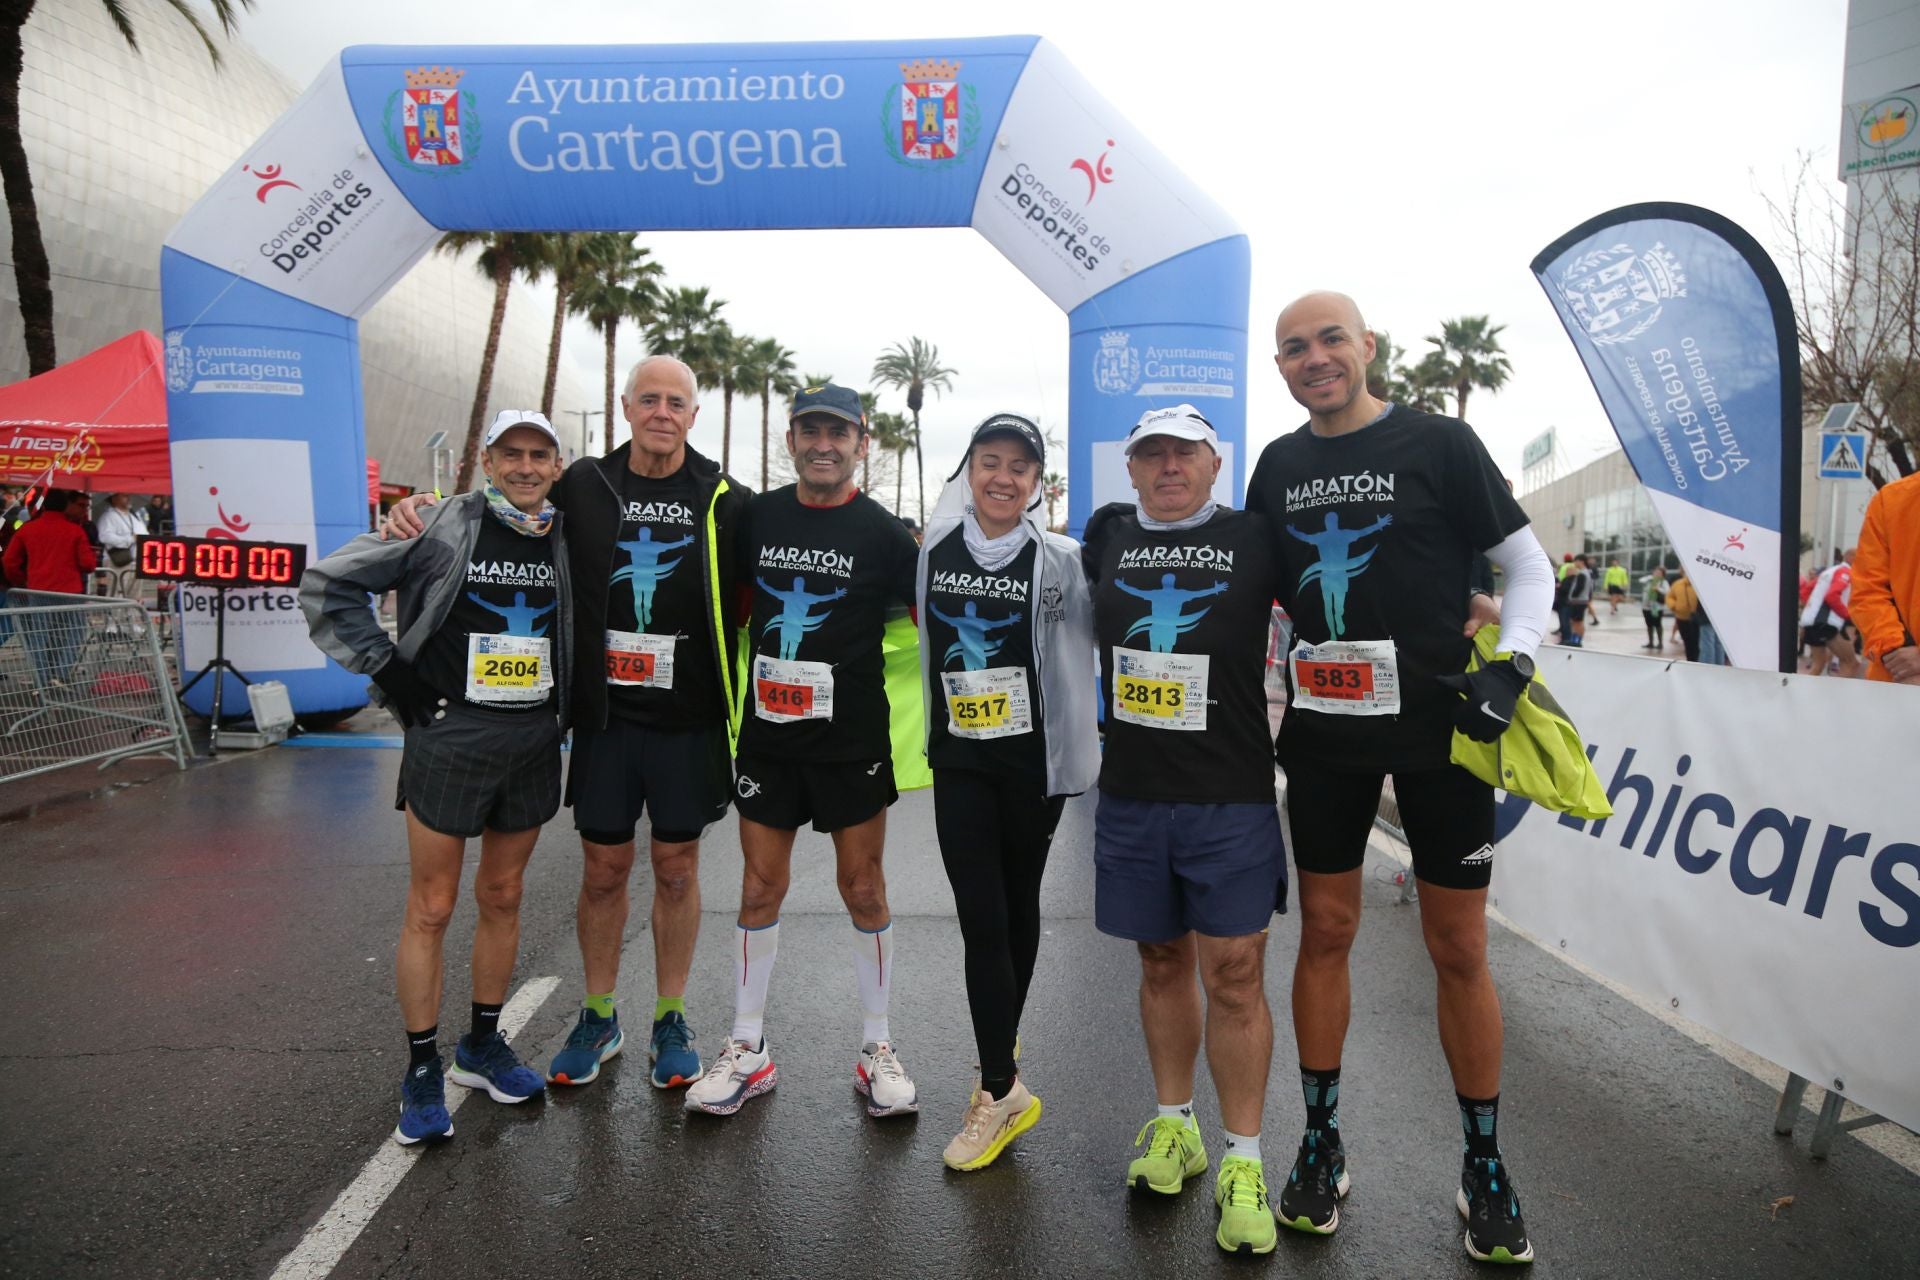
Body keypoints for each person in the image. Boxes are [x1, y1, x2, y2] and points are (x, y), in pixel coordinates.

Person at [1250, 292, 1555, 1265]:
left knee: (1458, 945)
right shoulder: (1279, 465)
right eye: (1293, 348)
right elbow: (1246, 585)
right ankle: (1322, 1137)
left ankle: (1483, 1162)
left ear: (1367, 346)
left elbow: (1527, 567)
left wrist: (1509, 667)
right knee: (1327, 930)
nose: (1314, 358)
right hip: (1328, 737)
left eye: (1330, 338)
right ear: (1283, 366)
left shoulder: (1441, 442)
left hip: (1439, 738)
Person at [383, 357, 751, 1094]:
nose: (661, 412)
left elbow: (757, 584)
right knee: (605, 871)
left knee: (678, 871)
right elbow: (501, 503)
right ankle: (599, 1012)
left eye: (675, 401)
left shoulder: (722, 496)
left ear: (693, 413)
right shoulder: (585, 484)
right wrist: (418, 506)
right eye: (648, 398)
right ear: (625, 405)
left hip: (690, 721)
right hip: (606, 720)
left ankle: (671, 1016)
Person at [302, 411, 573, 1145]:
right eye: (510, 453)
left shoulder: (568, 534)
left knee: (505, 894)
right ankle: (422, 1066)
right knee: (431, 905)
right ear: (487, 459)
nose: (523, 466)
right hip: (449, 736)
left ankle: (481, 1045)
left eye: (538, 455)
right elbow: (328, 584)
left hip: (532, 740)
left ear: (557, 465)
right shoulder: (438, 523)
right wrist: (388, 667)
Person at [683, 384, 923, 1121]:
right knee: (760, 887)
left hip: (852, 741)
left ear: (862, 442)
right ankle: (747, 1047)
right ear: (791, 440)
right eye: (811, 430)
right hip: (769, 738)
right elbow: (726, 606)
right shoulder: (757, 517)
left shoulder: (886, 534)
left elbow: (933, 624)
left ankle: (877, 1047)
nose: (825, 443)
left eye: (838, 432)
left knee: (864, 889)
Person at [1083, 404, 1290, 1256]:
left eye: (1186, 453)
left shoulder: (1257, 536)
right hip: (1132, 793)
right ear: (1130, 469)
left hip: (1230, 793)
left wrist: (1471, 598)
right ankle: (1176, 1125)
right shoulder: (1105, 534)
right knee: (1161, 960)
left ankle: (1244, 1158)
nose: (1169, 467)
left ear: (1214, 463)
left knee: (1235, 973)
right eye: (1152, 454)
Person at [915, 412, 1098, 1171]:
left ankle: (1001, 1040)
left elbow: (1107, 630)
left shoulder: (1063, 558)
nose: (1002, 477)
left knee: (1018, 903)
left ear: (1036, 484)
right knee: (981, 918)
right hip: (961, 761)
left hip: (1034, 766)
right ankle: (1000, 1088)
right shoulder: (933, 548)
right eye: (990, 461)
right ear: (970, 468)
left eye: (1019, 468)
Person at [2, 490, 96, 688]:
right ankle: (60, 674)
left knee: (39, 636)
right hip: (70, 592)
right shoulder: (75, 531)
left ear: (44, 506)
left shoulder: (28, 529)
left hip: (37, 591)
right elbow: (88, 565)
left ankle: (41, 679)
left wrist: (21, 583)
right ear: (65, 506)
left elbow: (9, 561)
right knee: (72, 634)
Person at [1851, 471, 1920, 685]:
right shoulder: (1892, 500)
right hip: (1901, 679)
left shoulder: (1894, 498)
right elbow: (1868, 591)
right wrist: (1896, 654)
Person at [1799, 549, 1860, 678]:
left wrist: (1810, 611)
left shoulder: (1828, 571)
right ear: (1851, 558)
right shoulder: (1845, 572)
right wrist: (1848, 617)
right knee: (1851, 663)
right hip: (1826, 624)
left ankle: (1802, 695)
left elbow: (1804, 592)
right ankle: (1839, 698)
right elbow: (1832, 596)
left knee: (1818, 665)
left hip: (1811, 622)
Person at [95, 493, 148, 569]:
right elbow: (104, 537)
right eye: (124, 496)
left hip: (137, 562)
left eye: (128, 496)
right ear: (114, 499)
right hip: (118, 562)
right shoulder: (108, 516)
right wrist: (131, 539)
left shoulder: (134, 516)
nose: (129, 498)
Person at [1666, 571, 1700, 662]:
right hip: (1681, 618)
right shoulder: (1677, 584)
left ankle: (1696, 660)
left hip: (1697, 619)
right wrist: (1674, 606)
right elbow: (1669, 597)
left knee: (1696, 642)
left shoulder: (1699, 584)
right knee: (1687, 641)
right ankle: (1691, 660)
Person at [1562, 555, 1594, 645]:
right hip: (1582, 600)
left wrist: (1572, 596)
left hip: (1578, 601)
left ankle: (1576, 640)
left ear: (1581, 562)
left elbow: (1580, 587)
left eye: (1576, 561)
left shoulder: (1582, 574)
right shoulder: (1587, 573)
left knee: (1577, 622)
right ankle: (1576, 639)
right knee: (1577, 621)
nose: (1575, 563)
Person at [1640, 565, 1669, 650]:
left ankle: (1660, 643)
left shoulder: (1663, 582)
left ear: (1663, 574)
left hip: (1656, 606)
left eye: (1659, 573)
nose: (1656, 574)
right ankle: (1651, 642)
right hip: (1646, 606)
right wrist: (1650, 577)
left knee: (1657, 623)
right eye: (1655, 572)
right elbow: (1641, 580)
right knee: (1649, 624)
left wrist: (1658, 589)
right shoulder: (1649, 580)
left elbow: (1667, 592)